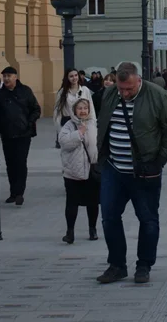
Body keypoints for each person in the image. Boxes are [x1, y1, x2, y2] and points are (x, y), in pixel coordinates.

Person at [95, 61, 167, 285]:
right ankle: (117, 265)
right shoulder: (110, 94)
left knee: (148, 219)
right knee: (109, 218)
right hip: (113, 168)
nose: (124, 93)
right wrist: (101, 158)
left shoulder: (157, 95)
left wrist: (159, 161)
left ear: (138, 80)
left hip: (144, 170)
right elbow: (104, 125)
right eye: (121, 88)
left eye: (129, 89)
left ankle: (144, 265)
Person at [0, 65, 41, 205]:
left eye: (9, 76)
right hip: (7, 134)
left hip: (23, 134)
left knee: (20, 162)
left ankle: (19, 192)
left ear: (16, 77)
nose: (6, 78)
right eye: (4, 76)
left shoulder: (25, 91)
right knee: (10, 164)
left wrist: (29, 122)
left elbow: (36, 109)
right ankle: (13, 192)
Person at [58, 98, 99, 244]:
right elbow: (64, 143)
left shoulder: (94, 124)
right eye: (80, 108)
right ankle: (70, 232)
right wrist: (79, 133)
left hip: (91, 170)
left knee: (93, 202)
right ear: (74, 110)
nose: (83, 111)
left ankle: (92, 229)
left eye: (85, 108)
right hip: (73, 171)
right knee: (72, 202)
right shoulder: (69, 125)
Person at [54, 68, 96, 148]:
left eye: (76, 75)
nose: (74, 78)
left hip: (84, 124)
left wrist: (93, 125)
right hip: (68, 124)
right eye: (71, 76)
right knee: (71, 153)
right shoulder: (62, 92)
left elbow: (91, 109)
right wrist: (59, 130)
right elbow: (57, 112)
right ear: (67, 78)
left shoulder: (85, 90)